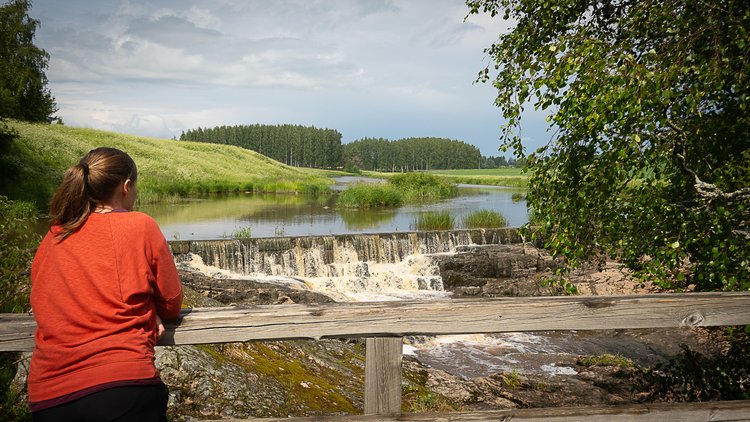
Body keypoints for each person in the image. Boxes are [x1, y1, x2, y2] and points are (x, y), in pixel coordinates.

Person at [28, 147, 183, 421]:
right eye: (135, 187)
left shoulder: (55, 235)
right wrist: (151, 311)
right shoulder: (140, 225)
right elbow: (171, 303)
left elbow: (44, 299)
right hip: (122, 385)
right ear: (126, 187)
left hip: (48, 395)